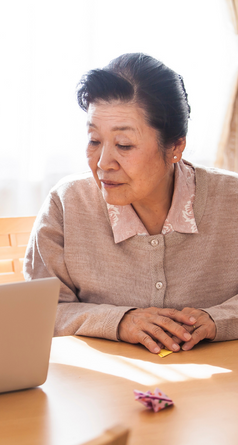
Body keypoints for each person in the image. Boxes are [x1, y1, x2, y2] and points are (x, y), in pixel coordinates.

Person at [24, 53, 238, 354]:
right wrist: (118, 321)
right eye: (94, 140)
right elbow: (38, 312)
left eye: (124, 145)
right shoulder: (66, 205)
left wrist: (220, 319)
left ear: (175, 146)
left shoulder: (232, 200)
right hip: (102, 391)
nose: (102, 163)